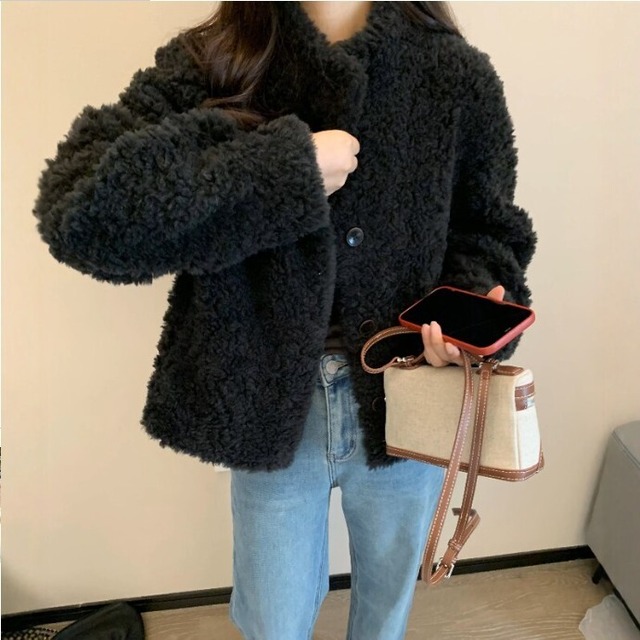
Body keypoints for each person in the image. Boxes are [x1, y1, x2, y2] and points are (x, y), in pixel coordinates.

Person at [33, 2, 536, 638]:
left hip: (408, 394)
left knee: (387, 602)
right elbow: (80, 211)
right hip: (268, 398)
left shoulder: (453, 73)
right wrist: (282, 170)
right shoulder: (223, 57)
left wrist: (467, 314)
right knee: (273, 620)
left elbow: (487, 230)